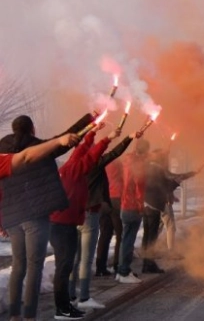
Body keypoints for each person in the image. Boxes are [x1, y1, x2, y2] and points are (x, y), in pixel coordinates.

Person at [0, 114, 92, 321]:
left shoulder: (1, 152)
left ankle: (15, 315)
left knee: (18, 266)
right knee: (35, 266)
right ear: (32, 129)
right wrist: (89, 118)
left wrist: (2, 218)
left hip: (12, 217)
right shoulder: (40, 148)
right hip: (35, 215)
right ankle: (30, 317)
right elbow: (62, 141)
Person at [69, 129, 138, 310]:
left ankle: (70, 295)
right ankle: (84, 297)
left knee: (74, 258)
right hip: (90, 213)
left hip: (74, 213)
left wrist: (91, 132)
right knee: (86, 259)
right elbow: (115, 153)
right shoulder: (94, 164)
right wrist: (128, 138)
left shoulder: (73, 163)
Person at [50, 124, 114, 320]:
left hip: (64, 223)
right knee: (64, 267)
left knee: (68, 265)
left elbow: (81, 152)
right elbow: (89, 158)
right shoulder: (73, 170)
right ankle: (62, 309)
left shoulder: (70, 166)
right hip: (63, 225)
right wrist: (107, 138)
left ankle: (66, 305)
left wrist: (92, 133)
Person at [141, 149, 203, 273]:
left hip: (146, 204)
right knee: (154, 235)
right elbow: (169, 184)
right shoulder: (158, 170)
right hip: (155, 204)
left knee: (148, 234)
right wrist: (188, 175)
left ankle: (146, 261)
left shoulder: (147, 168)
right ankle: (150, 263)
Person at [115, 139, 151, 284]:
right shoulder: (138, 166)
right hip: (132, 207)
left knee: (124, 239)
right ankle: (124, 271)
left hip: (124, 204)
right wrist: (140, 206)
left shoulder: (127, 161)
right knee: (128, 241)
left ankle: (121, 271)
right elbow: (138, 187)